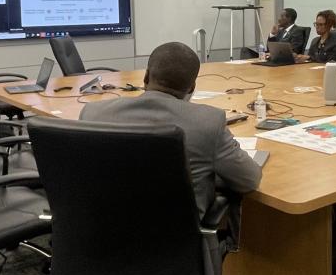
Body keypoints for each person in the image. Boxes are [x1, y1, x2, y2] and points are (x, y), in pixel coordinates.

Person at [79, 41, 261, 218]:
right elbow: (248, 180)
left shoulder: (93, 114)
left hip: (100, 234)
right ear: (192, 88)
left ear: (146, 77)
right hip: (174, 243)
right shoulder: (208, 122)